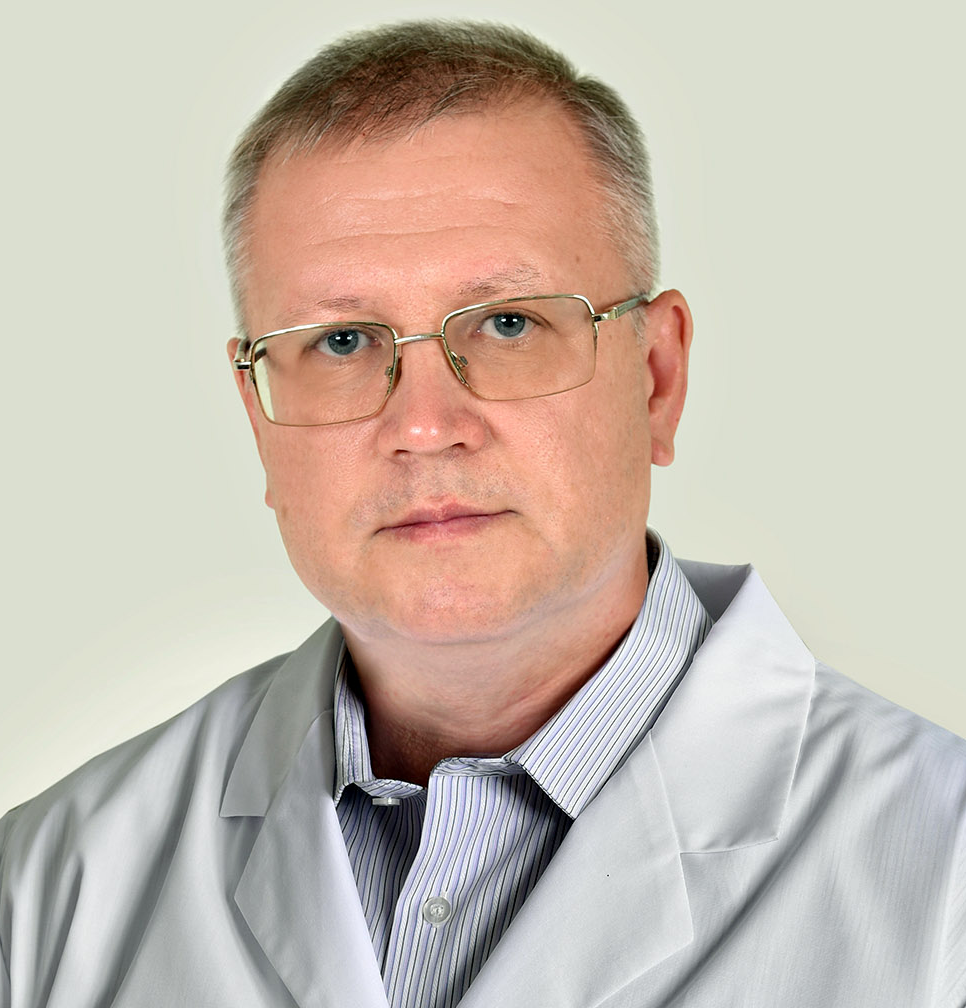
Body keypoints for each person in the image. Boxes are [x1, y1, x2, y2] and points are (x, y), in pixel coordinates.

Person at [1, 19, 964, 1008]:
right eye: (342, 342)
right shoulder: (44, 891)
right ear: (258, 416)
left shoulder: (943, 873)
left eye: (510, 324)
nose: (425, 426)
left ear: (656, 378)